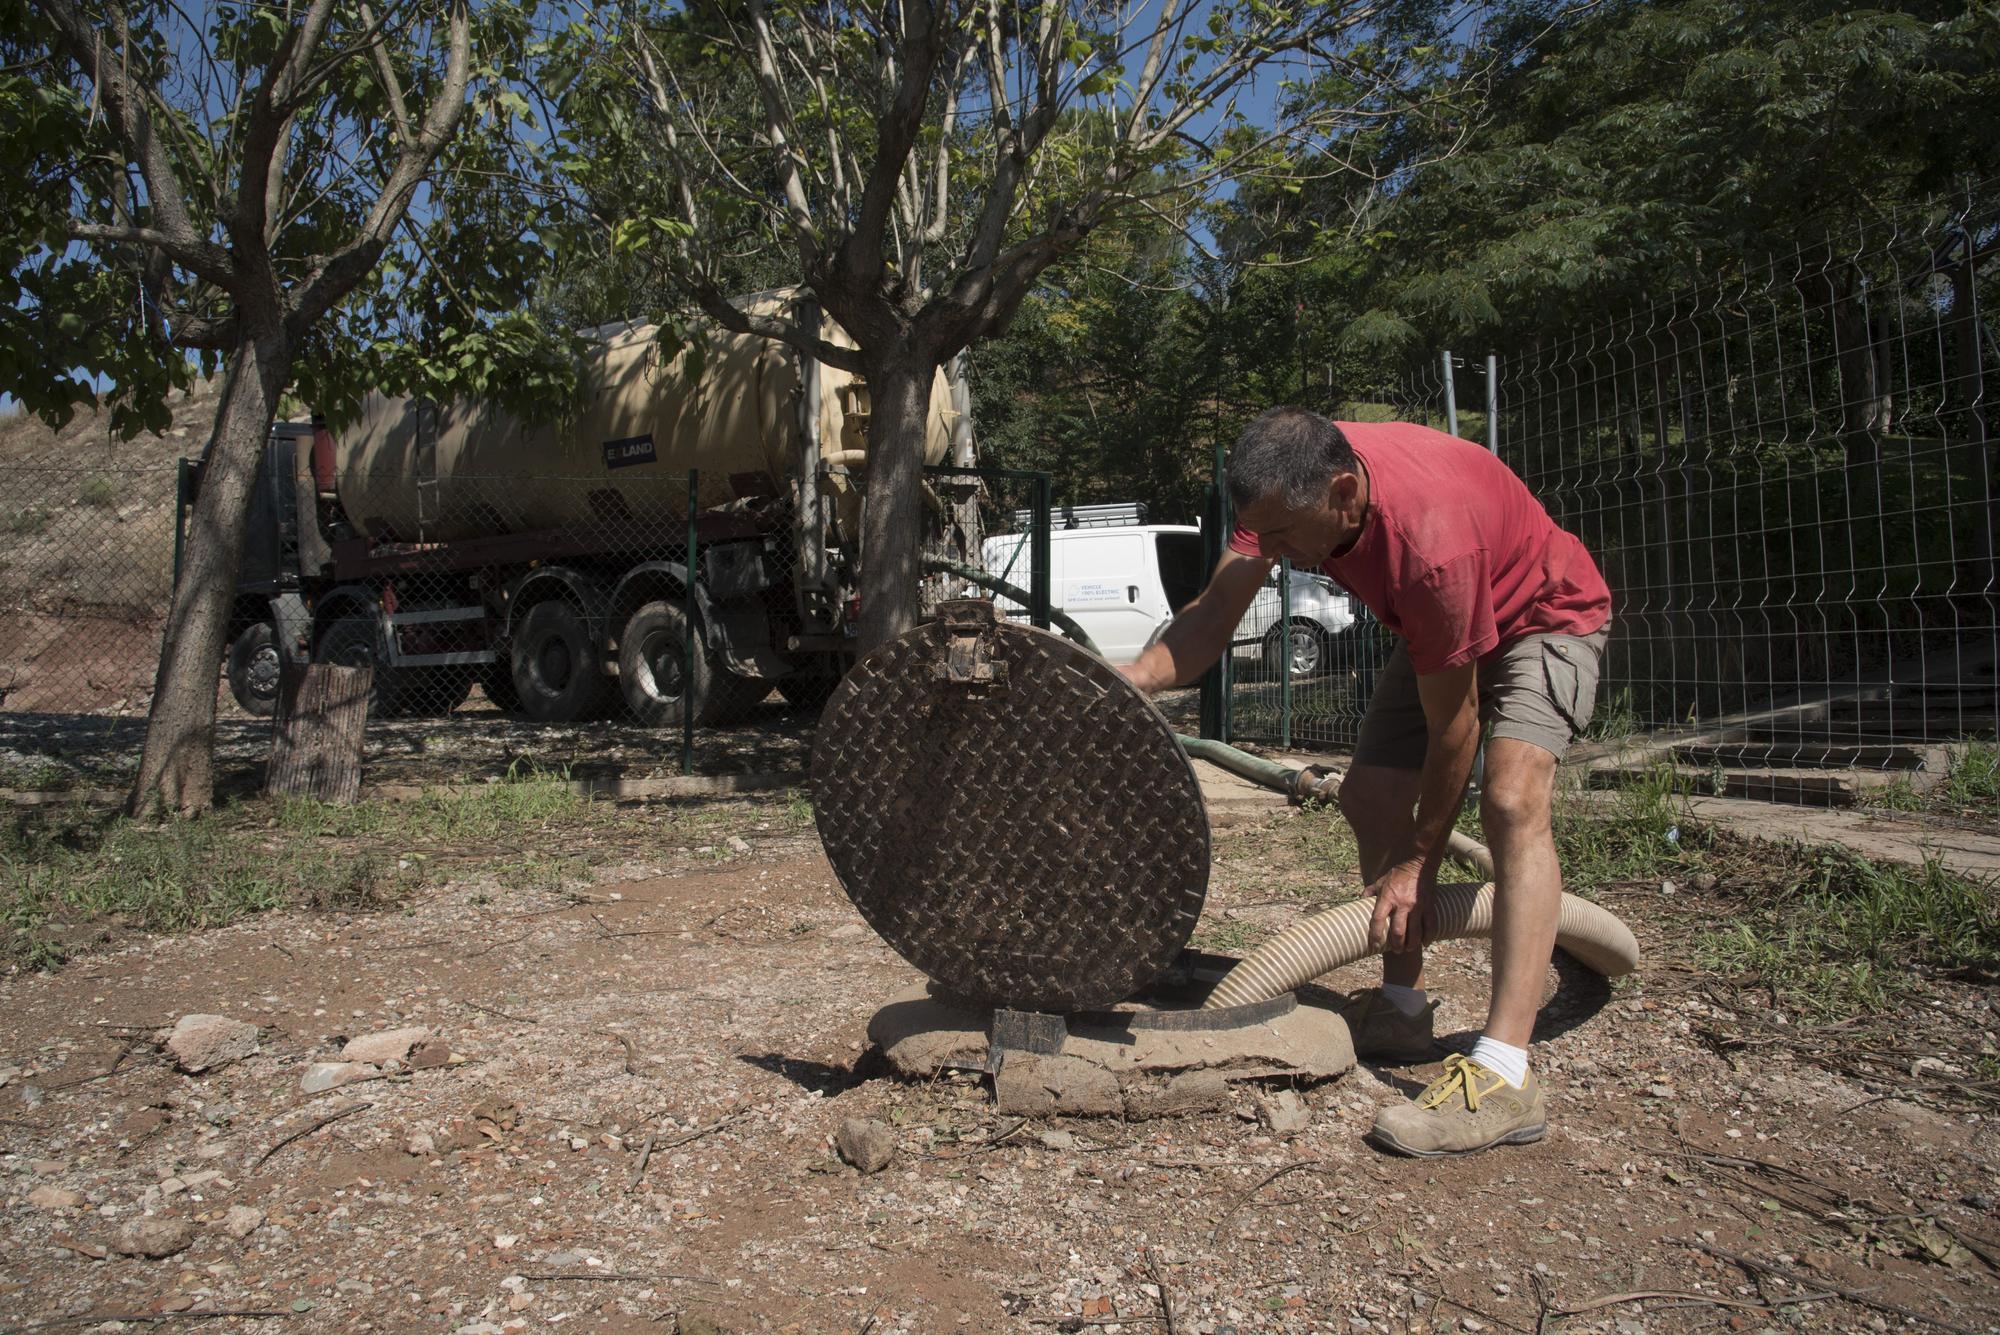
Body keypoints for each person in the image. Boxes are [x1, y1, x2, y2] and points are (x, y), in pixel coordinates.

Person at [1120, 407, 1612, 1157]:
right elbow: (1217, 608)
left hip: (1542, 613)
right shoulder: (1288, 482)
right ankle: (1403, 1007)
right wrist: (1131, 680)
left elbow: (1458, 729)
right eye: (1264, 536)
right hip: (1447, 627)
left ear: (1344, 492)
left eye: (1284, 537)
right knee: (1370, 793)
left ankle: (1506, 1074)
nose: (1274, 554)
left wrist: (1420, 863)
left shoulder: (1430, 548)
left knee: (1513, 801)